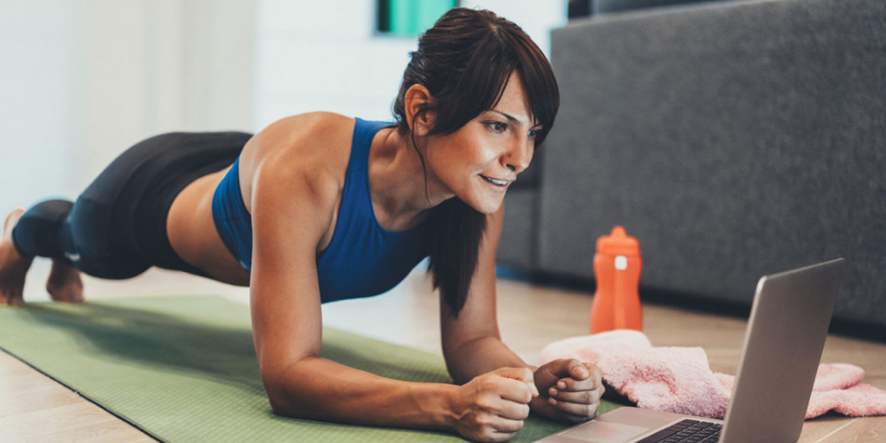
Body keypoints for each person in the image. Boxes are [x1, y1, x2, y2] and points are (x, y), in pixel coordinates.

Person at [0, 8, 603, 443]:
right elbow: (287, 377)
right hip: (150, 194)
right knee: (80, 242)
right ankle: (22, 231)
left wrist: (535, 382)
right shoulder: (308, 172)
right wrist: (446, 407)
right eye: (498, 126)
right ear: (422, 110)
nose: (520, 158)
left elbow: (471, 342)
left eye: (532, 133)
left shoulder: (473, 190)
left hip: (248, 168)